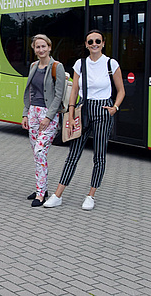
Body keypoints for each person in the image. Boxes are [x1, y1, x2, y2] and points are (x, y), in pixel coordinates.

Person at [44, 30, 125, 211]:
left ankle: (91, 195)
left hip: (103, 110)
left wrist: (115, 108)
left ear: (103, 43)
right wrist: (71, 115)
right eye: (90, 41)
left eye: (97, 41)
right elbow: (73, 91)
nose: (94, 44)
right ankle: (58, 195)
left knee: (99, 155)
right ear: (86, 44)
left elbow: (121, 90)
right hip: (84, 109)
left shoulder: (111, 63)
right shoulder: (80, 64)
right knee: (73, 154)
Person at [22, 34, 65, 207]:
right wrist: (25, 113)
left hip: (49, 114)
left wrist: (49, 117)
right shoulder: (33, 66)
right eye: (37, 47)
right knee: (36, 153)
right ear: (34, 49)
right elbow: (30, 91)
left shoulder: (57, 66)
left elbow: (59, 94)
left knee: (40, 152)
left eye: (43, 46)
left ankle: (41, 194)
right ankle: (42, 187)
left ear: (49, 47)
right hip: (33, 112)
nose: (41, 50)